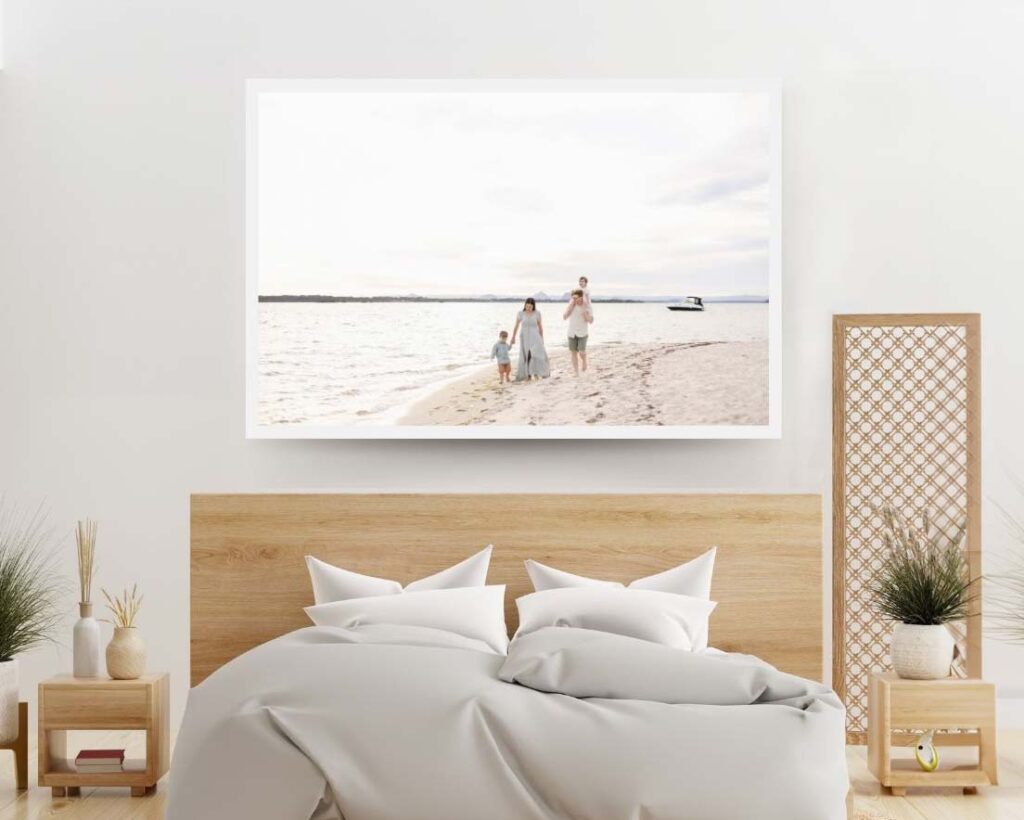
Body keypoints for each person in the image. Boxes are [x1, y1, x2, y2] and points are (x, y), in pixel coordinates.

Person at [510, 298, 550, 381]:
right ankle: (528, 375)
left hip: (535, 336)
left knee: (535, 354)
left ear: (533, 306)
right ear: (525, 305)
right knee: (526, 355)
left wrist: (542, 338)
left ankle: (536, 373)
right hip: (524, 336)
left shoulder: (537, 313)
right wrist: (513, 337)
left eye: (530, 307)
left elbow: (540, 327)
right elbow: (516, 326)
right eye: (527, 306)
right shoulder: (520, 314)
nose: (529, 308)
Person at [563, 288, 593, 375]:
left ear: (581, 297)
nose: (575, 300)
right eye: (573, 298)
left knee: (582, 352)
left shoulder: (587, 306)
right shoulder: (571, 306)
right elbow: (564, 317)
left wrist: (584, 312)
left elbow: (590, 321)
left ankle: (584, 361)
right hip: (571, 332)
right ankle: (576, 372)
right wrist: (570, 308)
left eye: (577, 298)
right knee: (573, 353)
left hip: (583, 333)